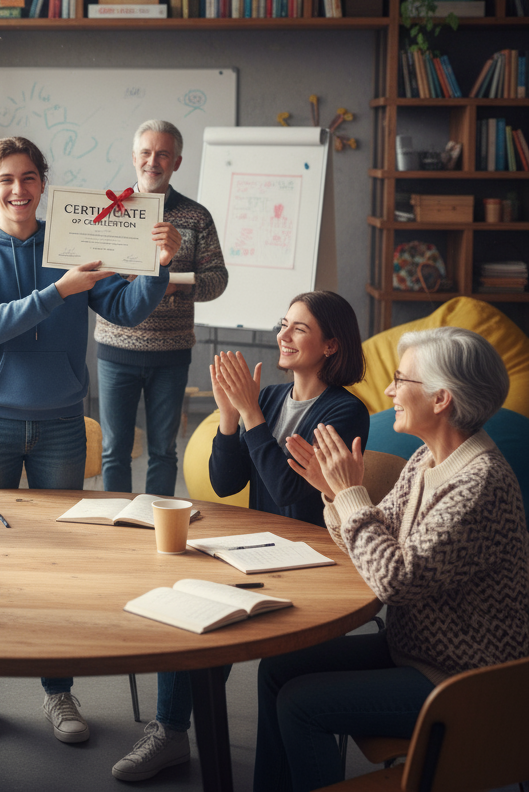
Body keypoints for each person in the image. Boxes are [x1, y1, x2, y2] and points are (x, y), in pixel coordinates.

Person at [0, 135, 180, 745]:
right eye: (6, 179)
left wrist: (156, 265)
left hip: (59, 423)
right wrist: (60, 290)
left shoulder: (72, 243)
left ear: (43, 185)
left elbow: (126, 310)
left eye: (28, 178)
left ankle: (59, 693)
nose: (18, 190)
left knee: (58, 564)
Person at [255, 326, 529, 792]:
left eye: (401, 380)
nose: (388, 390)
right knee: (277, 669)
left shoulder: (479, 483)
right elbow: (372, 542)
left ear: (441, 399)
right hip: (416, 651)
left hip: (465, 681)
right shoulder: (427, 459)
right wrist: (333, 493)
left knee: (301, 703)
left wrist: (350, 493)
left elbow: (394, 580)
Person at [111, 289, 367, 781]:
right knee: (184, 595)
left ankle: (174, 731)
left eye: (299, 328)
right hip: (259, 551)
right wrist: (230, 418)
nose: (283, 336)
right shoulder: (270, 397)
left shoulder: (344, 412)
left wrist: (252, 417)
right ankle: (171, 733)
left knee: (212, 609)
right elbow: (229, 483)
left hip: (309, 562)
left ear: (331, 346)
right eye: (283, 323)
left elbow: (290, 492)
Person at [96, 119, 228, 496]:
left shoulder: (197, 217)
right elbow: (93, 272)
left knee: (163, 452)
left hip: (171, 352)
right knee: (114, 452)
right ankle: (116, 530)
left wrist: (174, 286)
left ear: (177, 162)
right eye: (146, 153)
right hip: (115, 348)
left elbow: (218, 279)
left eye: (163, 154)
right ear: (134, 158)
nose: (153, 161)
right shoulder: (109, 211)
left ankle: (156, 529)